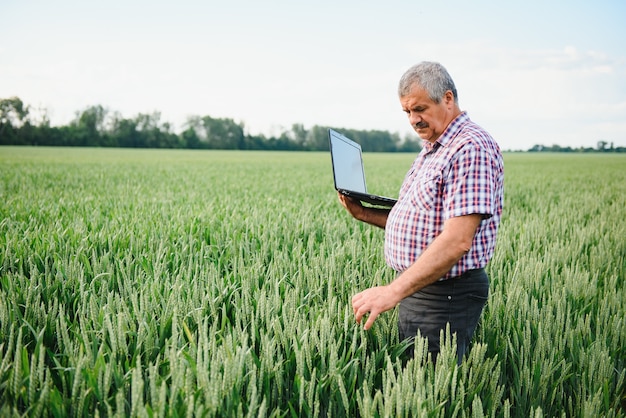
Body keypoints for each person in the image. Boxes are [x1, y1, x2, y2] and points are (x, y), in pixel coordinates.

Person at [338, 61, 504, 362]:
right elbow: (424, 223)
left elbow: (457, 240)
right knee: (417, 381)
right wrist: (364, 213)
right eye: (407, 112)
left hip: (445, 294)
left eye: (420, 109)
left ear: (448, 99)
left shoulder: (469, 147)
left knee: (430, 388)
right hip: (423, 286)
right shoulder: (435, 147)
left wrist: (392, 291)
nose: (414, 120)